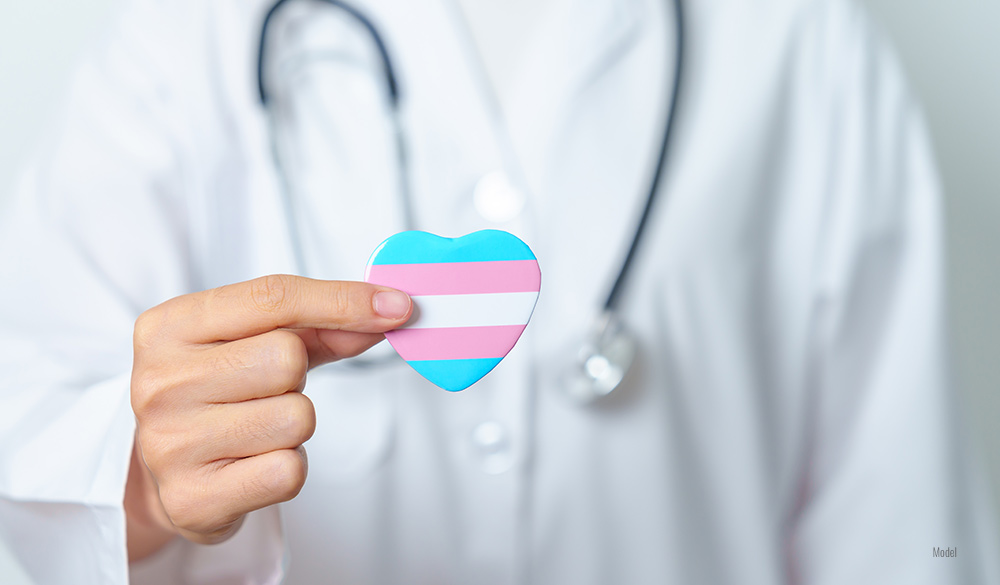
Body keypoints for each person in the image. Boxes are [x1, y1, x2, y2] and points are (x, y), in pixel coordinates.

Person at [0, 0, 997, 583]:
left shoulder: (798, 39)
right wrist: (138, 477)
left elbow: (901, 527)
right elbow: (26, 425)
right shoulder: (185, 38)